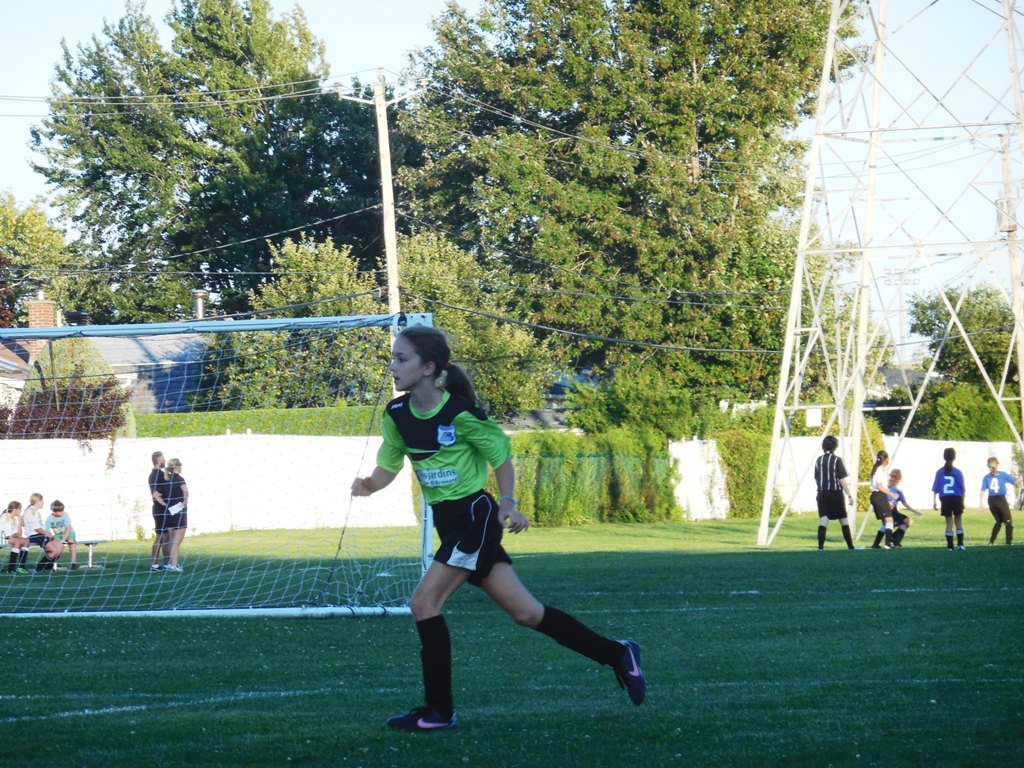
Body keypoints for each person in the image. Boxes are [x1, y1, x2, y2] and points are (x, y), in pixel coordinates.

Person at [351, 325, 646, 732]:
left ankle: (439, 712)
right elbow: (389, 465)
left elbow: (501, 457)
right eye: (393, 358)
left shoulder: (460, 414)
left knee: (424, 604)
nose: (392, 366)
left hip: (474, 518)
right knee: (526, 613)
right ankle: (617, 654)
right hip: (451, 523)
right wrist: (369, 485)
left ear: (428, 367)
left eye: (401, 358)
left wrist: (508, 503)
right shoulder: (397, 414)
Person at [813, 435, 857, 550]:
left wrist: (822, 488)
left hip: (822, 493)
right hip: (835, 494)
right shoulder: (837, 460)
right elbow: (841, 480)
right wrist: (849, 495)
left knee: (823, 519)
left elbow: (816, 478)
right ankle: (850, 546)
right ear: (835, 446)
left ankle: (820, 547)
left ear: (823, 445)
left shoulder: (818, 460)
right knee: (843, 519)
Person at [871, 469, 922, 548]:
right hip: (887, 510)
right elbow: (880, 495)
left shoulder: (898, 489)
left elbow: (904, 502)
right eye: (892, 476)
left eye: (895, 477)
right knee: (888, 524)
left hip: (894, 511)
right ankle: (889, 541)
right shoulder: (885, 487)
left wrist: (914, 511)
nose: (893, 478)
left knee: (904, 523)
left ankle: (893, 541)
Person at [932, 447, 967, 550]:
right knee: (958, 521)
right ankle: (960, 544)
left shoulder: (939, 472)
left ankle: (950, 546)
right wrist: (963, 501)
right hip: (956, 498)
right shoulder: (958, 472)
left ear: (944, 457)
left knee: (949, 522)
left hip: (945, 498)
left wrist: (934, 501)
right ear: (954, 457)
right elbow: (963, 488)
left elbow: (935, 488)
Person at [979, 456, 1017, 546]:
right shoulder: (1002, 474)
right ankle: (1008, 543)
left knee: (998, 521)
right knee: (1008, 522)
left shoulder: (986, 477)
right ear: (997, 464)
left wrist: (981, 503)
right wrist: (1021, 477)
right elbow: (1016, 482)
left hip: (991, 501)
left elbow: (983, 490)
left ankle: (991, 542)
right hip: (1001, 500)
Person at [867, 450, 899, 549]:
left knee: (885, 522)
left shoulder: (876, 469)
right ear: (886, 459)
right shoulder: (880, 470)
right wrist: (891, 494)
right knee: (889, 520)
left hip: (876, 496)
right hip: (879, 496)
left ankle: (876, 544)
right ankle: (888, 543)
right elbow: (880, 486)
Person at [161, 458, 188, 572]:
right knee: (177, 541)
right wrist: (184, 502)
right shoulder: (179, 479)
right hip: (179, 511)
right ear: (177, 467)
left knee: (172, 540)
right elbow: (185, 490)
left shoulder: (166, 480)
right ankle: (174, 565)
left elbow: (156, 495)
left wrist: (166, 504)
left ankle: (170, 564)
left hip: (169, 512)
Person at [23, 492, 62, 568]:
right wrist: (47, 534)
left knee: (60, 546)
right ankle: (38, 568)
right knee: (54, 550)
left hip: (41, 535)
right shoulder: (31, 512)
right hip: (35, 536)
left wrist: (48, 534)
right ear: (38, 501)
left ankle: (48, 568)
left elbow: (41, 527)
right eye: (42, 501)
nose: (43, 503)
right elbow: (37, 528)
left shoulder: (35, 512)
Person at [149, 450, 170, 571]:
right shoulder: (159, 475)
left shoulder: (153, 474)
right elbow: (157, 494)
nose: (165, 460)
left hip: (159, 509)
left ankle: (166, 564)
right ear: (159, 460)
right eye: (163, 458)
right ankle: (155, 565)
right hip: (160, 509)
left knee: (165, 537)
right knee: (161, 537)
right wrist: (166, 505)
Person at [42, 499, 77, 570]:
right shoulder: (49, 519)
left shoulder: (65, 514)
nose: (62, 512)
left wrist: (63, 540)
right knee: (56, 547)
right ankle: (53, 562)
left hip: (69, 533)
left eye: (63, 510)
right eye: (60, 511)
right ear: (54, 512)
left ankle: (73, 563)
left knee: (71, 542)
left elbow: (68, 528)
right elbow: (47, 531)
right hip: (58, 535)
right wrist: (51, 538)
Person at [1, 501, 29, 573]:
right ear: (15, 509)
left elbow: (19, 535)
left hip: (9, 538)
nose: (21, 511)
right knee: (17, 542)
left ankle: (21, 568)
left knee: (26, 541)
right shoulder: (6, 516)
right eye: (20, 509)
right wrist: (16, 535)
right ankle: (10, 569)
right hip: (2, 539)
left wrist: (20, 524)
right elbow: (9, 535)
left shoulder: (14, 519)